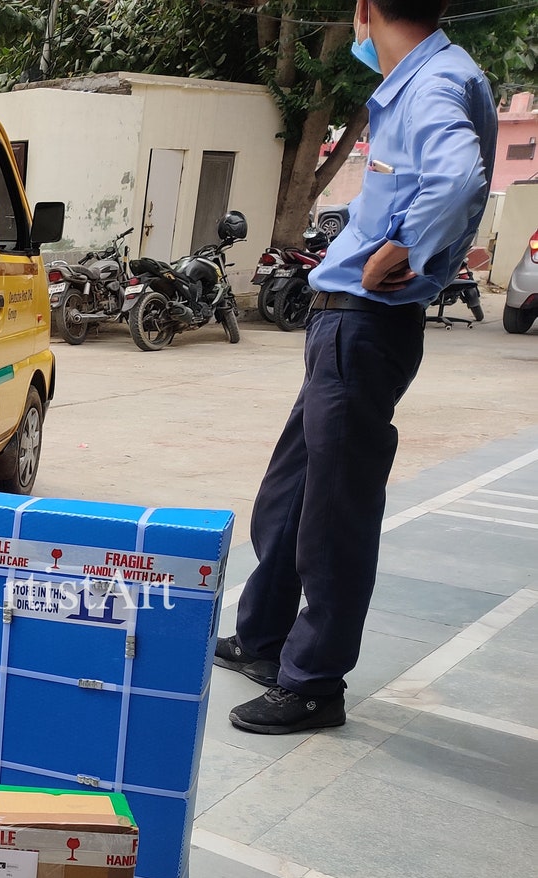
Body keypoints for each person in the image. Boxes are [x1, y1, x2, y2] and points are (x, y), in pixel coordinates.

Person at [215, 0, 496, 734]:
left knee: (335, 511)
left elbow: (460, 179)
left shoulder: (433, 84)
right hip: (345, 322)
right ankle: (263, 638)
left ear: (365, 9)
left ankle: (312, 683)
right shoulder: (431, 77)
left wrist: (407, 250)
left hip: (365, 322)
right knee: (291, 492)